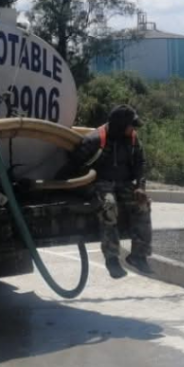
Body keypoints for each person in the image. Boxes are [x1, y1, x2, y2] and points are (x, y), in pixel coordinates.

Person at [65, 104, 152, 279]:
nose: (133, 129)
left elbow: (140, 163)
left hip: (124, 183)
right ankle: (112, 259)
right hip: (100, 183)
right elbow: (74, 163)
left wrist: (140, 187)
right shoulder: (95, 139)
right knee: (109, 206)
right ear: (120, 125)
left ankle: (139, 255)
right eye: (130, 125)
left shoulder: (133, 139)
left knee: (143, 204)